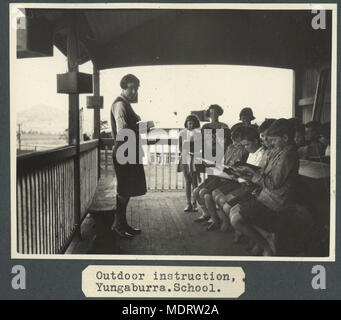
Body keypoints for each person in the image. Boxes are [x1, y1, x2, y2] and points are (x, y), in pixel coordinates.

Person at [229, 119, 299, 256]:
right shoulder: (277, 152)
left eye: (273, 140)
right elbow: (264, 173)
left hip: (277, 201)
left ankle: (266, 244)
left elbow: (273, 183)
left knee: (236, 219)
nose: (270, 143)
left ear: (285, 138)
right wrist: (248, 174)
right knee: (234, 211)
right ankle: (267, 237)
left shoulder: (288, 155)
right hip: (266, 195)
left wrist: (253, 175)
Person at [110, 74, 152, 238]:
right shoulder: (120, 104)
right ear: (123, 87)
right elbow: (123, 132)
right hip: (123, 151)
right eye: (131, 88)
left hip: (128, 151)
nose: (134, 91)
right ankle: (117, 226)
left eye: (136, 88)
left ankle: (122, 224)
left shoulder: (125, 103)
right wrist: (143, 127)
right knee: (124, 191)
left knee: (126, 191)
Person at [212, 126, 265, 236]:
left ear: (255, 141)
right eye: (244, 145)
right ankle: (239, 230)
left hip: (253, 188)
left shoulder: (262, 154)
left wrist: (242, 174)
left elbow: (257, 174)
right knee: (222, 200)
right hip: (244, 184)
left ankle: (243, 232)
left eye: (247, 145)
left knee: (227, 206)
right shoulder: (250, 152)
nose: (245, 148)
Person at [193, 125, 248, 231]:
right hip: (220, 175)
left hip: (230, 179)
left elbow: (235, 167)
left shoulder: (240, 150)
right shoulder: (230, 148)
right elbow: (224, 163)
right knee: (201, 192)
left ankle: (223, 221)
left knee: (207, 194)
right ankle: (214, 219)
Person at [178, 114, 202, 212]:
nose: (190, 125)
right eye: (189, 123)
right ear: (186, 123)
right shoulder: (182, 132)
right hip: (185, 158)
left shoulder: (198, 133)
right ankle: (188, 203)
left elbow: (200, 146)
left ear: (195, 124)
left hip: (195, 158)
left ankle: (194, 203)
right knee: (187, 181)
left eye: (192, 123)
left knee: (194, 182)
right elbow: (180, 146)